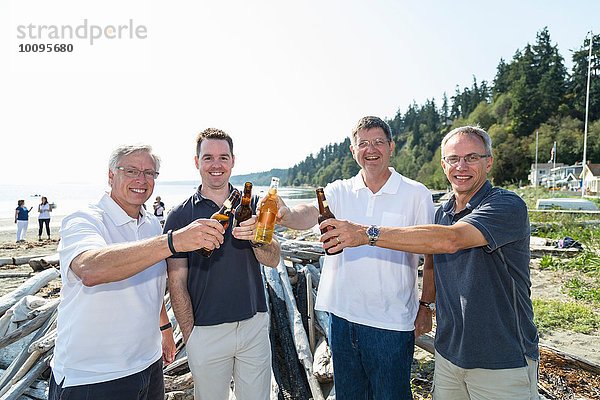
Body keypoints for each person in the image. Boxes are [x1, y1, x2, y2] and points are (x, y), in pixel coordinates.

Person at [322, 126, 539, 400]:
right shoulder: (443, 213)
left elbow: (451, 241)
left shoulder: (506, 205)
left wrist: (367, 234)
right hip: (448, 355)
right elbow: (432, 261)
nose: (461, 166)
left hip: (502, 358)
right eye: (453, 159)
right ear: (443, 165)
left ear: (489, 161)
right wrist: (425, 305)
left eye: (472, 157)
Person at [275, 116, 435, 400]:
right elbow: (309, 213)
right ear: (353, 151)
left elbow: (431, 253)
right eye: (363, 143)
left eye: (378, 142)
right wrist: (285, 214)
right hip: (343, 317)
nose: (370, 149)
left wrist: (426, 304)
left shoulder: (415, 194)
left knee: (391, 395)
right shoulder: (339, 190)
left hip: (392, 320)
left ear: (391, 147)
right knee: (349, 395)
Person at [50, 144, 227, 400]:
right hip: (93, 375)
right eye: (131, 170)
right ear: (111, 175)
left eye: (149, 173)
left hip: (148, 365)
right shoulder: (85, 219)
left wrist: (165, 329)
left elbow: (150, 285)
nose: (141, 180)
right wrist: (172, 241)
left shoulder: (151, 223)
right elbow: (89, 269)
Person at [164, 128, 281, 400]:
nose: (216, 165)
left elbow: (273, 259)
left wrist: (257, 239)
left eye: (223, 157)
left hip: (253, 324)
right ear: (197, 162)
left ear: (233, 161)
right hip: (205, 331)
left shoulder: (252, 206)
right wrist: (190, 335)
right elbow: (176, 281)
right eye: (208, 158)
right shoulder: (180, 215)